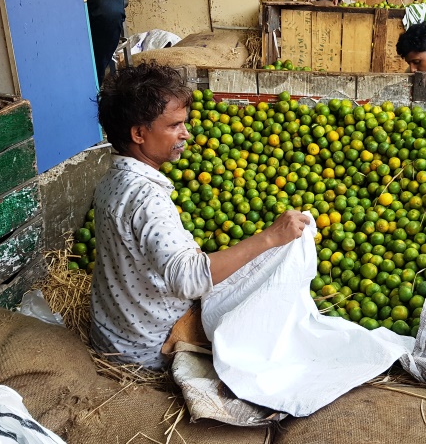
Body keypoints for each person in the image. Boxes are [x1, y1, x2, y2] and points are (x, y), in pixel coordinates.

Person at [90, 64, 310, 369]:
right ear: (139, 133)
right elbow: (190, 279)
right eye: (174, 126)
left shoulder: (111, 179)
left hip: (113, 336)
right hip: (149, 347)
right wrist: (271, 237)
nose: (186, 134)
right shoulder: (146, 199)